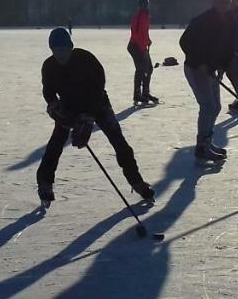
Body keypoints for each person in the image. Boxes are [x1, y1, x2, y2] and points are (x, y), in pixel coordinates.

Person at [37, 27, 153, 208]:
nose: (60, 54)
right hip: (69, 107)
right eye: (55, 50)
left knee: (118, 141)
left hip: (97, 104)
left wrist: (88, 117)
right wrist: (56, 108)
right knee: (55, 144)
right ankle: (45, 183)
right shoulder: (49, 66)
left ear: (70, 47)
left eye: (63, 49)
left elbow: (98, 88)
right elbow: (49, 92)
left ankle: (136, 181)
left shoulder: (86, 59)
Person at [179, 0, 234, 161]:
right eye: (221, 2)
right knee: (208, 106)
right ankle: (202, 147)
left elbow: (227, 48)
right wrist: (200, 63)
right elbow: (185, 42)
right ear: (214, 1)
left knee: (216, 106)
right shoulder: (202, 20)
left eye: (227, 2)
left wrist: (223, 67)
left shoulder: (228, 21)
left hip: (211, 69)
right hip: (196, 69)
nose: (224, 5)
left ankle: (207, 142)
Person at [127, 0, 158, 106]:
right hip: (135, 47)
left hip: (141, 47)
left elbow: (144, 32)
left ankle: (145, 93)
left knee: (149, 69)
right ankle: (137, 94)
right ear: (140, 5)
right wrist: (142, 47)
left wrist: (148, 40)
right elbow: (135, 33)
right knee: (141, 70)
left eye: (146, 4)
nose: (146, 6)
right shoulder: (139, 16)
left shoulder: (145, 16)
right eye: (144, 4)